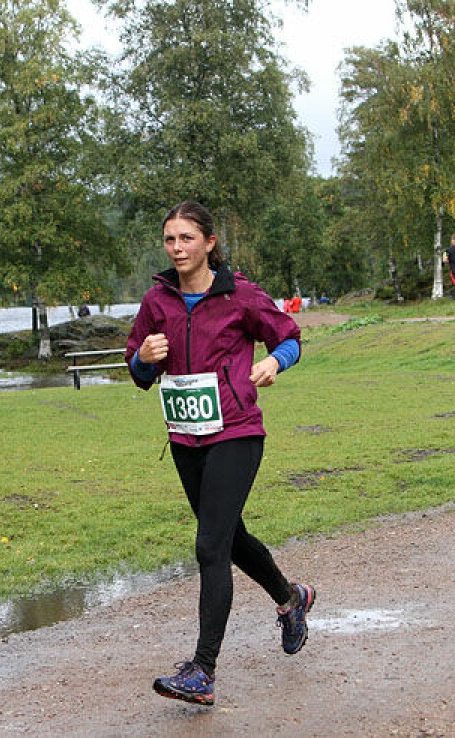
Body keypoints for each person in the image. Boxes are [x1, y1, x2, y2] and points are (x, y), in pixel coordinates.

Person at [125, 201, 315, 707]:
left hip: (236, 431)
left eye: (187, 238)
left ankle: (202, 671)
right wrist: (143, 358)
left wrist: (274, 362)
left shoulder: (240, 295)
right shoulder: (157, 301)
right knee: (229, 539)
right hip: (185, 437)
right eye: (170, 239)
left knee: (210, 545)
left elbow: (290, 338)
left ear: (209, 243)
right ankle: (291, 598)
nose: (177, 248)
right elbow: (139, 372)